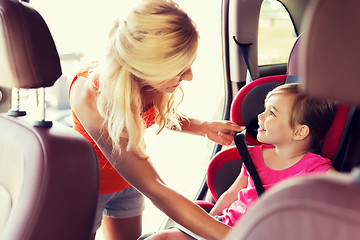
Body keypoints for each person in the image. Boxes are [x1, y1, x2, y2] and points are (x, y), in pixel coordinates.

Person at [68, 0, 243, 239]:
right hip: (89, 188)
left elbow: (156, 114)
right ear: (147, 66)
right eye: (181, 70)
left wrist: (203, 127)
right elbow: (155, 187)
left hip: (128, 184)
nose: (189, 77)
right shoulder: (92, 93)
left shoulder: (150, 81)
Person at [146, 83, 337, 239]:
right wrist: (208, 222)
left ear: (299, 132)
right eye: (264, 109)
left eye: (272, 113)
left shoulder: (315, 169)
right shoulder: (254, 155)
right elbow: (231, 195)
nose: (260, 117)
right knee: (160, 238)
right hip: (225, 227)